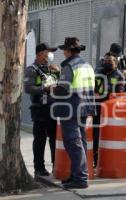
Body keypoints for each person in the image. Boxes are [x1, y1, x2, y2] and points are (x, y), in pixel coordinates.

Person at [52, 37, 96, 189]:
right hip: (84, 108)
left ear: (69, 51)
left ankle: (80, 178)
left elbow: (62, 88)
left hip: (71, 108)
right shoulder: (87, 65)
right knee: (80, 142)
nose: (63, 52)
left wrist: (52, 87)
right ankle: (76, 174)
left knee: (73, 143)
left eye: (64, 49)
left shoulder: (69, 66)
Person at [24, 42, 59, 177]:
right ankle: (39, 168)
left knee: (54, 138)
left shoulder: (51, 69)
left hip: (53, 108)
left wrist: (59, 72)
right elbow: (28, 88)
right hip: (39, 109)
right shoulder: (31, 69)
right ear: (39, 54)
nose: (50, 55)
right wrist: (44, 89)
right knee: (40, 139)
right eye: (47, 52)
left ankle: (56, 165)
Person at [93, 52, 126, 167]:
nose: (107, 63)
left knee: (108, 136)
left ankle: (107, 161)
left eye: (110, 61)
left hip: (111, 112)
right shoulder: (97, 73)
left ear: (115, 63)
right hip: (97, 109)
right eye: (105, 61)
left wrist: (105, 94)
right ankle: (95, 160)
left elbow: (119, 93)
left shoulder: (119, 75)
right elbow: (93, 90)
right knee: (96, 135)